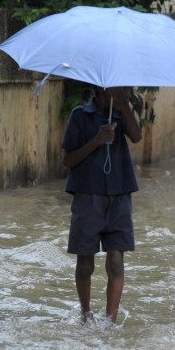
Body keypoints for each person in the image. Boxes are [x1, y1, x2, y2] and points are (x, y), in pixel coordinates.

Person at [62, 86, 142, 324]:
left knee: (117, 260)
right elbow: (68, 160)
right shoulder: (79, 115)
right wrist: (97, 140)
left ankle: (110, 321)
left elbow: (137, 136)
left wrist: (124, 106)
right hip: (88, 196)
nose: (126, 92)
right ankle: (86, 315)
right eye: (120, 89)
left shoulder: (122, 112)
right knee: (85, 262)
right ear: (101, 88)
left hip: (120, 195)